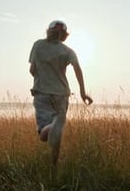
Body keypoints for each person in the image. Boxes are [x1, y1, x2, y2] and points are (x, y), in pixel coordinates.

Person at [29, 20, 93, 167]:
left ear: (48, 31)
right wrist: (83, 93)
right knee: (57, 137)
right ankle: (54, 167)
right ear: (64, 36)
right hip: (62, 95)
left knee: (44, 134)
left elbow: (32, 70)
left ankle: (52, 127)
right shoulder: (68, 51)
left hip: (42, 93)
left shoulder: (38, 45)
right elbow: (78, 69)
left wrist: (42, 76)